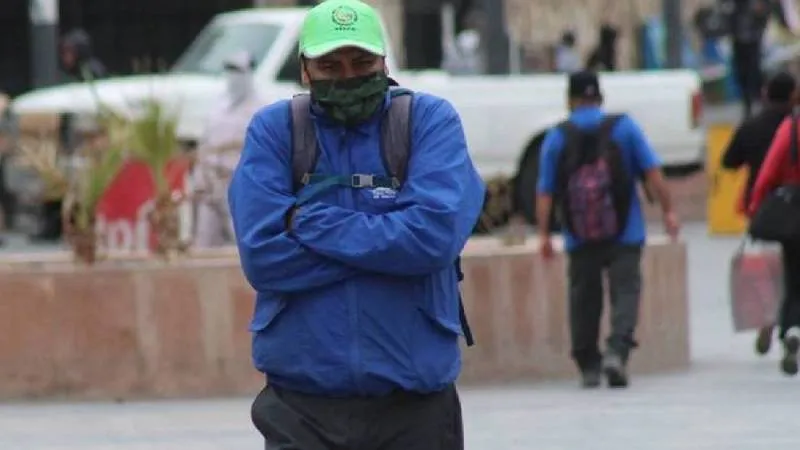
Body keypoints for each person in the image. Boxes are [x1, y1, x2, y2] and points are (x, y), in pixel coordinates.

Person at [227, 0, 485, 448]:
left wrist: (305, 220)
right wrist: (388, 243)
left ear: (384, 62)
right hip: (301, 410)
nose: (347, 76)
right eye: (330, 65)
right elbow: (264, 258)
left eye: (362, 62)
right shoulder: (274, 131)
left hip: (415, 407)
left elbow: (431, 240)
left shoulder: (429, 122)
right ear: (305, 70)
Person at [536, 71, 679, 389]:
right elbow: (654, 173)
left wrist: (544, 234)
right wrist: (668, 212)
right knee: (626, 291)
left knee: (583, 298)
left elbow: (545, 191)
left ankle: (588, 365)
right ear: (599, 97)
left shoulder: (557, 136)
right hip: (625, 231)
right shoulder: (625, 127)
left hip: (578, 234)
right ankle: (617, 352)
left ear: (570, 100)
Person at [722, 71, 796, 355]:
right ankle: (789, 324)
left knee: (769, 269)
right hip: (794, 208)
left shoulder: (752, 125)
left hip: (764, 211)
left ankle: (769, 319)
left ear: (766, 93)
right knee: (793, 271)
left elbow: (729, 161)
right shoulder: (793, 125)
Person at [748, 104, 800, 376]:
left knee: (792, 276)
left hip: (792, 213)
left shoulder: (792, 127)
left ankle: (791, 330)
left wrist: (756, 209)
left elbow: (768, 173)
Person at [192, 51, 263, 249]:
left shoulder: (260, 108)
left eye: (238, 70)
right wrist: (199, 179)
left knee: (241, 239)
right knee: (204, 240)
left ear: (248, 73)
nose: (233, 76)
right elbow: (204, 144)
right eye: (230, 70)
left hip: (240, 184)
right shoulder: (218, 106)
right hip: (212, 181)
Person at [719, 0, 772, 118]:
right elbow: (726, 13)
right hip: (738, 40)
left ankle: (757, 99)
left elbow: (765, 12)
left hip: (754, 39)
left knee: (754, 71)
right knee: (742, 72)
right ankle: (747, 102)